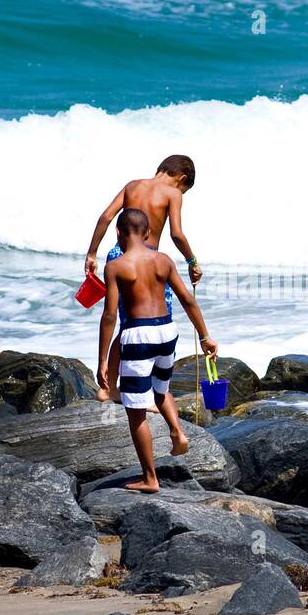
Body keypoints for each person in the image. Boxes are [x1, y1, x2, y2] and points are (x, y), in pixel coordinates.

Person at [97, 207, 217, 493]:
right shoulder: (163, 260)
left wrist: (103, 359)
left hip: (139, 334)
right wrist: (205, 337)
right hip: (167, 331)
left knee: (135, 411)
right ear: (148, 232)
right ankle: (177, 433)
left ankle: (150, 478)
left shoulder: (116, 266)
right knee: (160, 390)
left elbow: (110, 315)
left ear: (118, 234)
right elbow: (187, 299)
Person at [84, 155, 202, 403]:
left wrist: (92, 253)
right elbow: (177, 234)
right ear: (181, 179)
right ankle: (149, 390)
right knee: (155, 323)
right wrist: (192, 261)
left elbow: (106, 217)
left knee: (126, 326)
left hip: (119, 257)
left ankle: (107, 388)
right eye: (184, 188)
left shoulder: (132, 185)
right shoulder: (172, 193)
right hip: (147, 260)